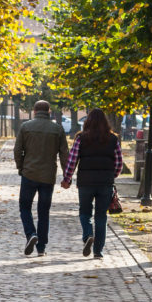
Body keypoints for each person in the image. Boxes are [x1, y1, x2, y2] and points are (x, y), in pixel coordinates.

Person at [61, 108, 123, 260]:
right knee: (101, 216)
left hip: (85, 183)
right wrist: (111, 176)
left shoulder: (81, 138)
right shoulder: (113, 139)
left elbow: (72, 160)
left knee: (84, 213)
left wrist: (67, 179)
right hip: (105, 183)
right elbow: (119, 162)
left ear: (88, 121)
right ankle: (98, 251)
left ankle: (88, 234)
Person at [14, 100, 69, 256]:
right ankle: (41, 247)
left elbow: (17, 150)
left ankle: (31, 234)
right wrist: (67, 175)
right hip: (48, 176)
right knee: (44, 211)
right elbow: (65, 154)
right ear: (49, 111)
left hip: (29, 173)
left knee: (25, 207)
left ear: (34, 110)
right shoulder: (57, 129)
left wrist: (21, 167)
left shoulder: (26, 127)